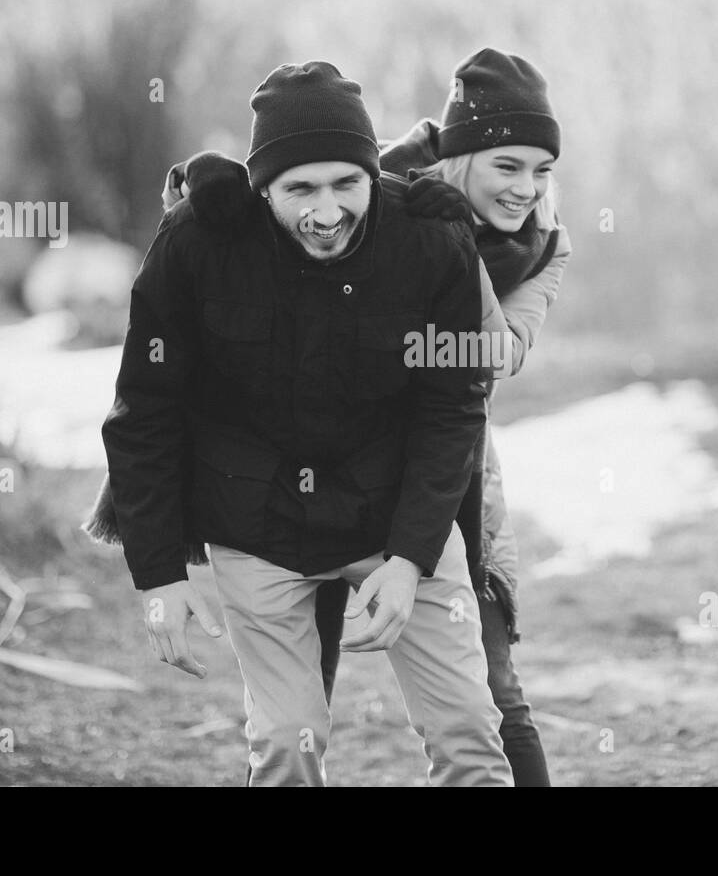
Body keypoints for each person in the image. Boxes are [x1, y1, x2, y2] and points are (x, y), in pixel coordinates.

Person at [93, 61, 512, 786]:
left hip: (397, 514)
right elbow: (145, 411)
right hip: (259, 524)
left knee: (470, 734)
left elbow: (454, 409)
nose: (326, 211)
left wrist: (413, 558)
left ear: (372, 173)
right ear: (261, 188)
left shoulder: (431, 241)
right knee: (289, 744)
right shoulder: (196, 246)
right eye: (300, 189)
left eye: (347, 183)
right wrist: (159, 574)